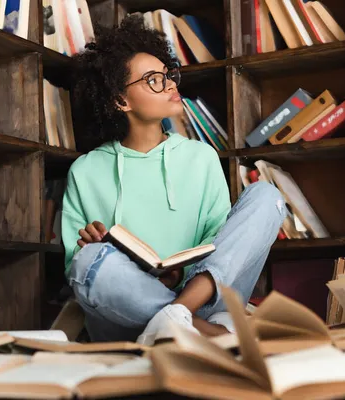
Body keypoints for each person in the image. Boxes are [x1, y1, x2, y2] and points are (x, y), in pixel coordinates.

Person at [62, 15, 286, 345]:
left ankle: (180, 315)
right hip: (126, 310)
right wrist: (100, 251)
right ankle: (200, 329)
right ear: (120, 100)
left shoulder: (202, 157)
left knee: (267, 197)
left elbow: (220, 245)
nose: (170, 85)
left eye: (168, 76)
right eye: (153, 80)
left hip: (205, 297)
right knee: (87, 263)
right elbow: (76, 268)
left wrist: (181, 277)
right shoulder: (84, 171)